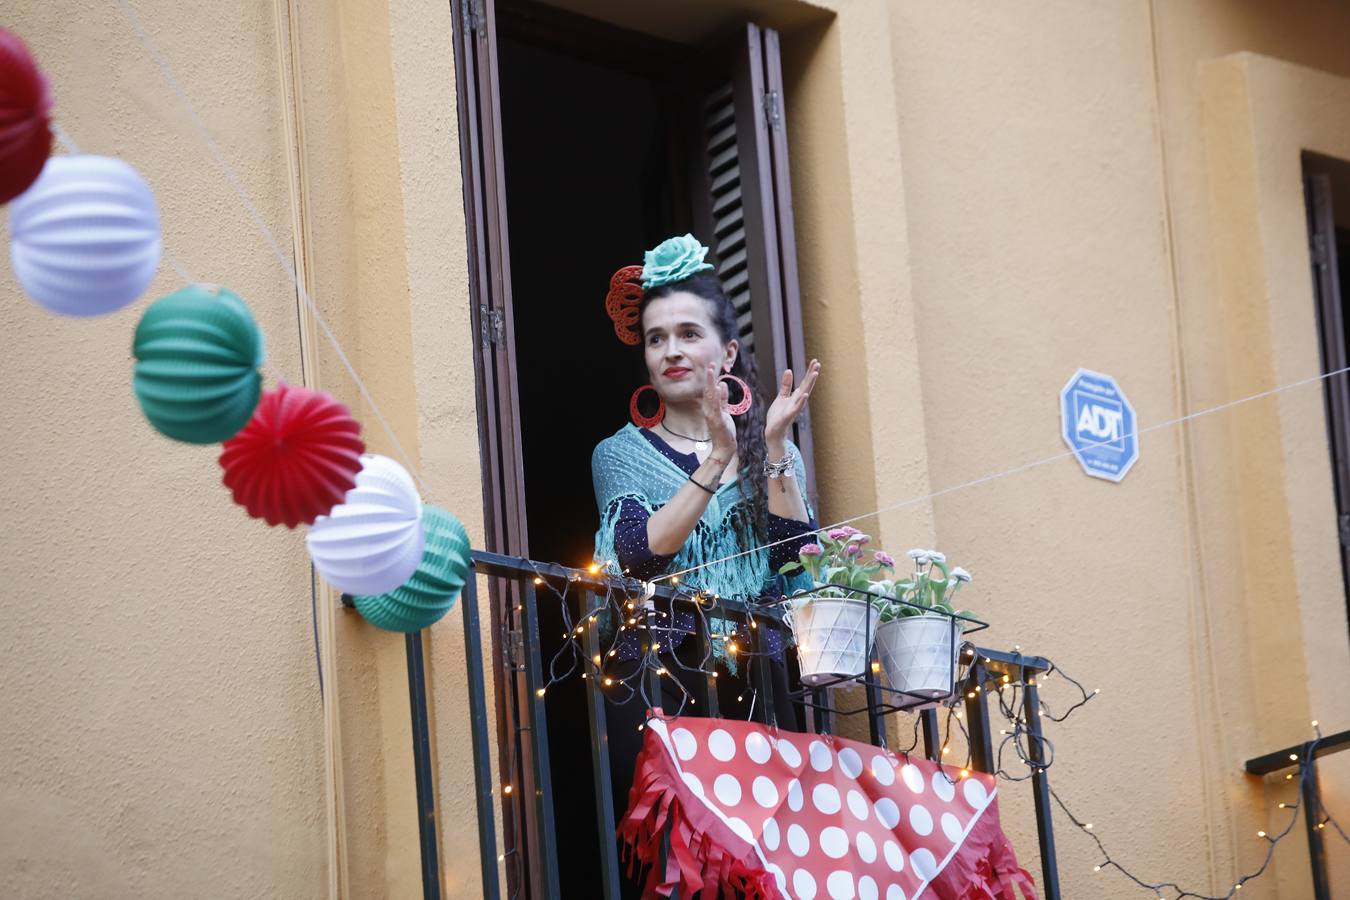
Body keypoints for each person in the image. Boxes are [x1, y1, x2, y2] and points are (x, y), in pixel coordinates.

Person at [590, 235, 822, 865]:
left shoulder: (777, 448)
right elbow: (637, 557)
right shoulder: (618, 455)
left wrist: (771, 450)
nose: (670, 350)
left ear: (727, 352)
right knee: (677, 866)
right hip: (658, 682)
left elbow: (798, 567)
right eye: (656, 337)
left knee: (763, 866)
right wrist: (719, 456)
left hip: (761, 682)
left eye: (689, 333)